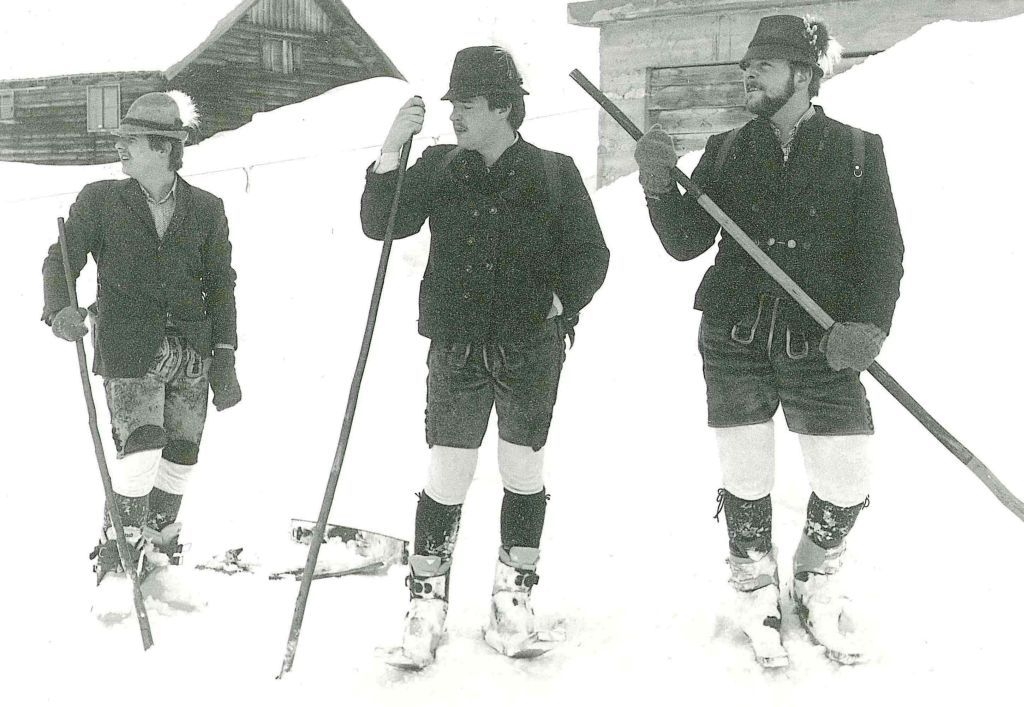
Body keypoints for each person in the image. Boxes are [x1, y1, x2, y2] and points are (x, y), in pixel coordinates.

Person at [633, 15, 904, 666]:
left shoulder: (858, 150)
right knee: (745, 474)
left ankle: (813, 574)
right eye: (747, 67)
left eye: (766, 66)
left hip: (821, 341)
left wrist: (868, 325)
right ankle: (755, 586)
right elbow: (685, 242)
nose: (749, 75)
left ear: (804, 76)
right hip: (736, 335)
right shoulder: (727, 150)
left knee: (846, 475)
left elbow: (882, 251)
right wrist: (656, 183)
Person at [361, 46, 609, 667]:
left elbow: (593, 254)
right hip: (456, 344)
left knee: (523, 469)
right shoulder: (442, 166)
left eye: (466, 105)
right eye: (452, 106)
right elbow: (379, 223)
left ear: (503, 106)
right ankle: (425, 607)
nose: (455, 117)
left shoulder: (554, 171)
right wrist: (393, 148)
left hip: (531, 347)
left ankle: (512, 601)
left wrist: (561, 300)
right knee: (447, 470)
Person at [41, 91, 242, 615]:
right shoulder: (101, 199)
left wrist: (225, 354)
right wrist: (61, 308)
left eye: (129, 141)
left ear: (162, 147)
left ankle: (156, 553)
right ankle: (118, 557)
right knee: (142, 446)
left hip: (191, 353)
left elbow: (221, 285)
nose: (121, 150)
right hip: (128, 345)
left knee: (180, 456)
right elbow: (61, 259)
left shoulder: (206, 208)